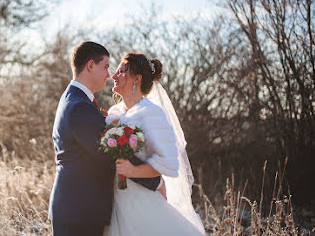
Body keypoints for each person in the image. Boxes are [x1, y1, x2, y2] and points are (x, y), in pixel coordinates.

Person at [48, 42, 161, 236]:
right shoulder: (79, 106)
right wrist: (153, 179)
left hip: (78, 209)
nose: (109, 75)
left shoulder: (76, 99)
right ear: (90, 66)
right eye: (106, 67)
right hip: (79, 212)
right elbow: (110, 152)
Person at [102, 53, 206, 236]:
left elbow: (167, 163)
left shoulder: (151, 113)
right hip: (114, 201)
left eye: (121, 71)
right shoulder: (114, 113)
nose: (114, 76)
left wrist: (131, 171)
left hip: (140, 201)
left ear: (137, 79)